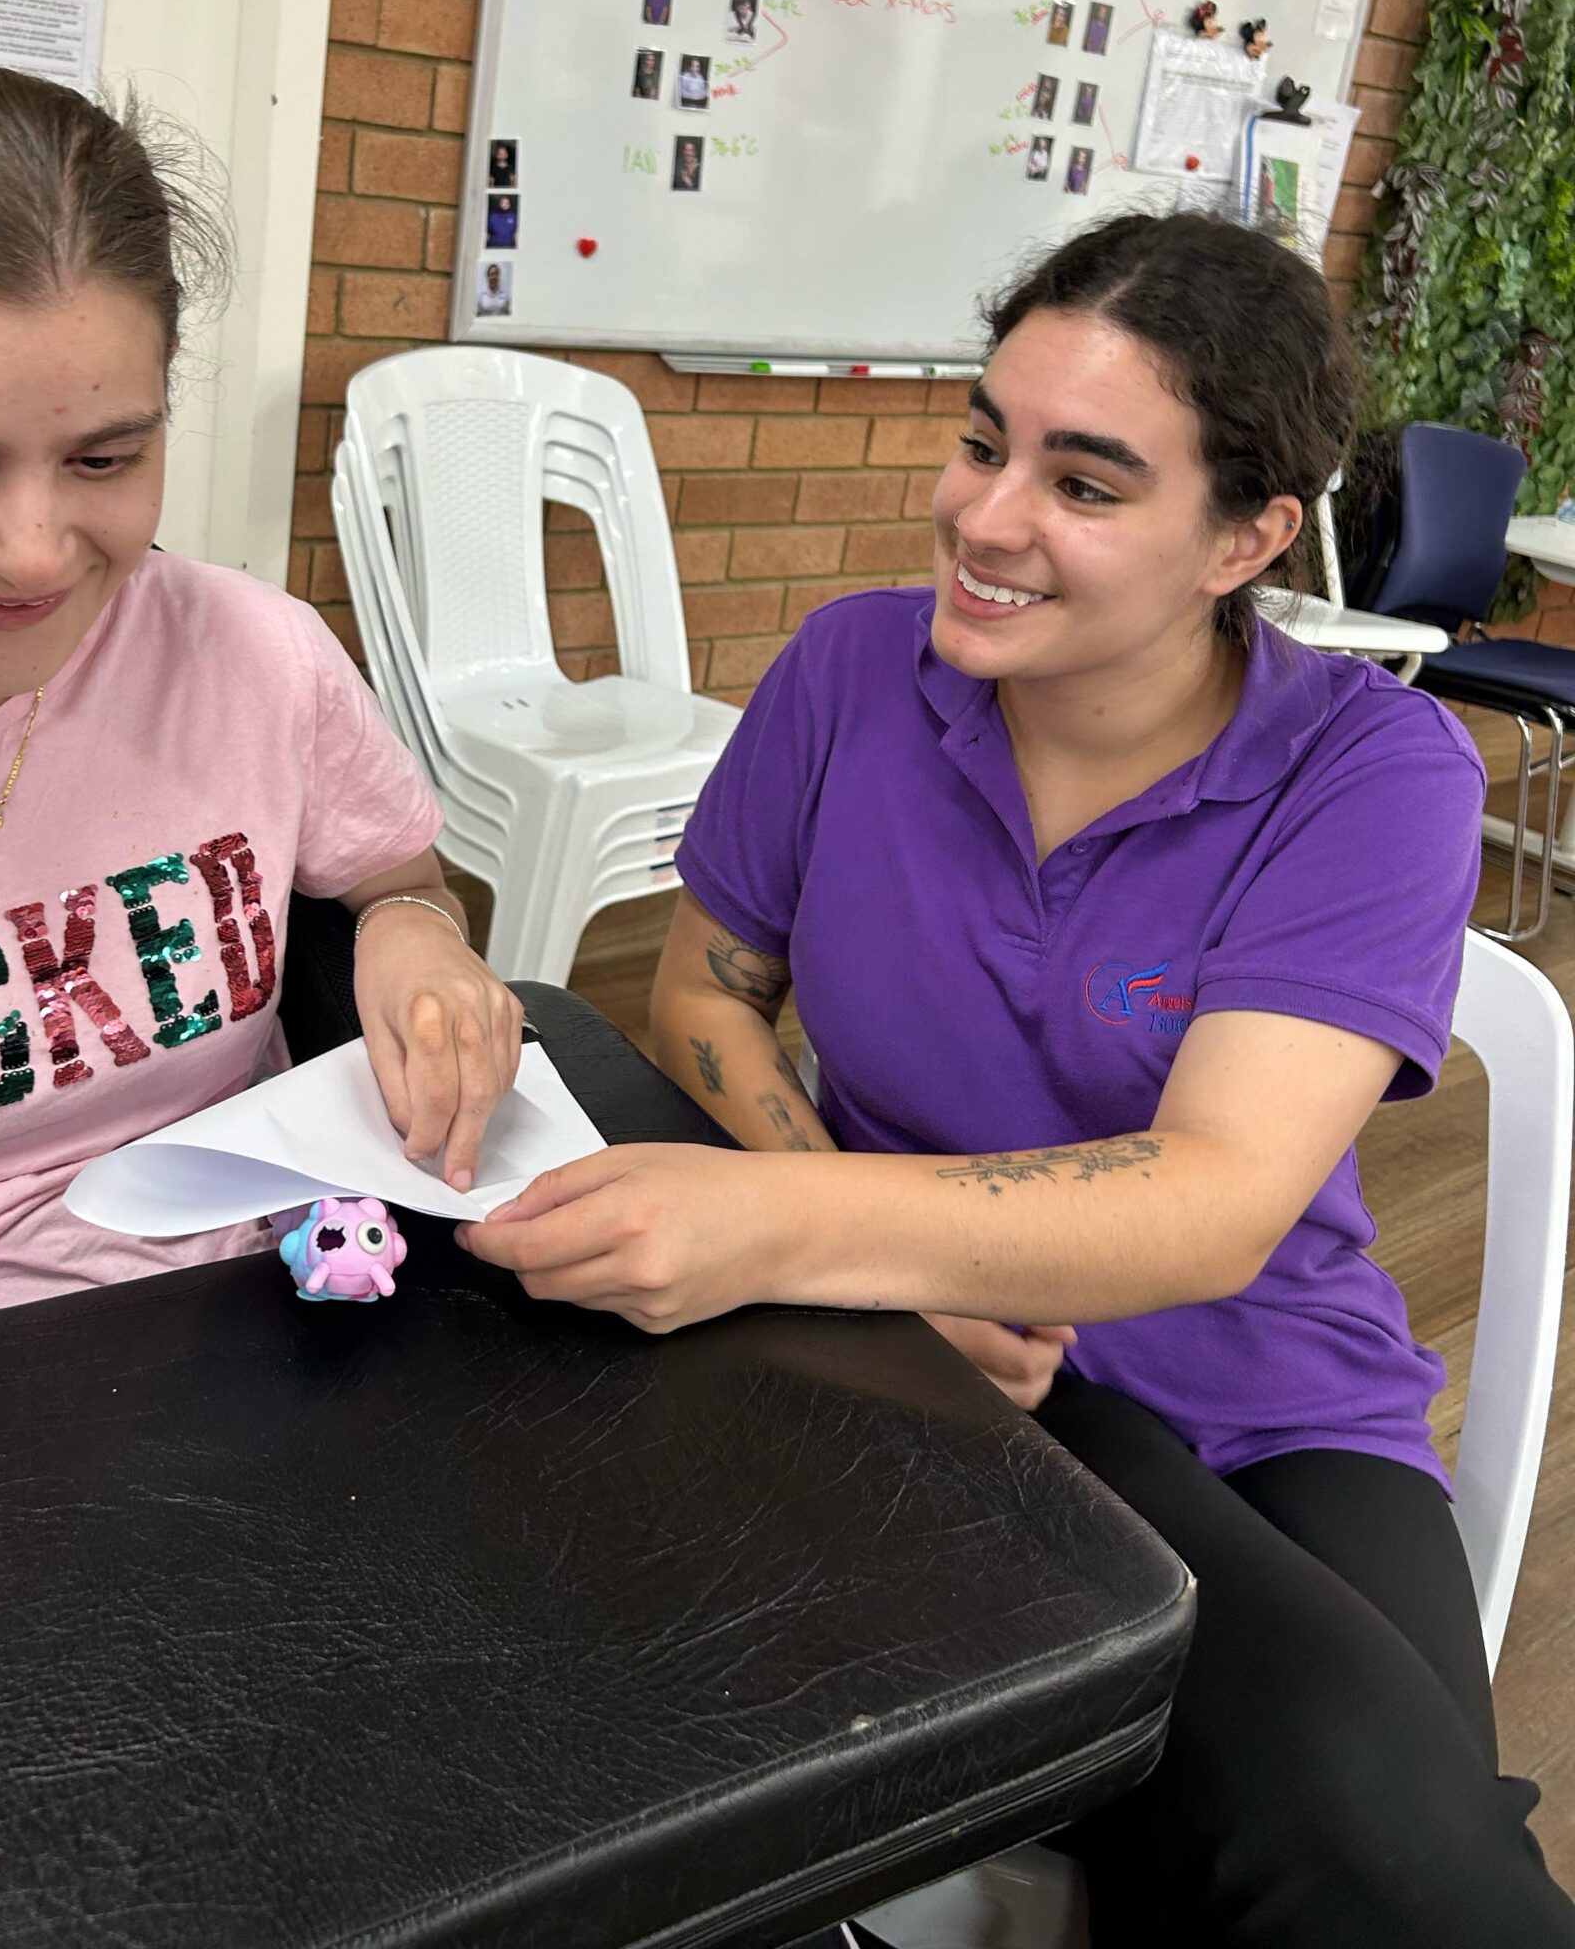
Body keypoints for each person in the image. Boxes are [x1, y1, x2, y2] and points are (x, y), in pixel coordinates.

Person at [465, 213, 1575, 1947]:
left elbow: (1210, 1200)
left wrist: (796, 1224)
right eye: (986, 438)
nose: (984, 517)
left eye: (1087, 482)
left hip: (1275, 1401)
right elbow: (703, 996)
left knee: (1409, 1873)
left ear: (1248, 536)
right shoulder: (850, 676)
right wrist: (874, 1280)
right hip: (932, 1380)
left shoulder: (1374, 773)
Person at [0, 64, 521, 1312]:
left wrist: (417, 943)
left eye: (105, 455)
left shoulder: (254, 656)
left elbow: (394, 878)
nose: (36, 550)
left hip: (265, 1335)